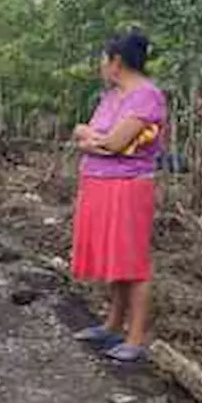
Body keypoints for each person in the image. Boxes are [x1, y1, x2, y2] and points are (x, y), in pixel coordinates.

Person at [70, 28, 166, 364]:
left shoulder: (146, 96)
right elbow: (86, 135)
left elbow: (113, 143)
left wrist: (98, 139)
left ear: (117, 61)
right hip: (99, 183)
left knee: (132, 261)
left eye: (103, 58)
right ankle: (112, 324)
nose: (100, 65)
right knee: (114, 259)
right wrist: (99, 139)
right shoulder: (112, 96)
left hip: (127, 187)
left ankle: (136, 337)